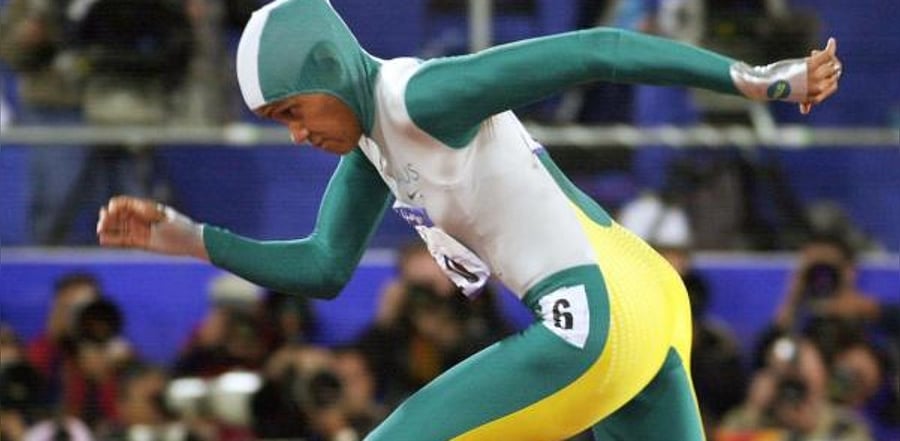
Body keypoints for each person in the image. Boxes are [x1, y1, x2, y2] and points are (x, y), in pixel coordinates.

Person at [96, 0, 842, 439]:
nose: (295, 133)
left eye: (293, 110)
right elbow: (323, 268)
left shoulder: (422, 97)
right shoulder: (372, 150)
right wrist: (189, 238)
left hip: (594, 319)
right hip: (646, 303)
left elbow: (596, 49)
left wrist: (750, 78)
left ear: (326, 68)